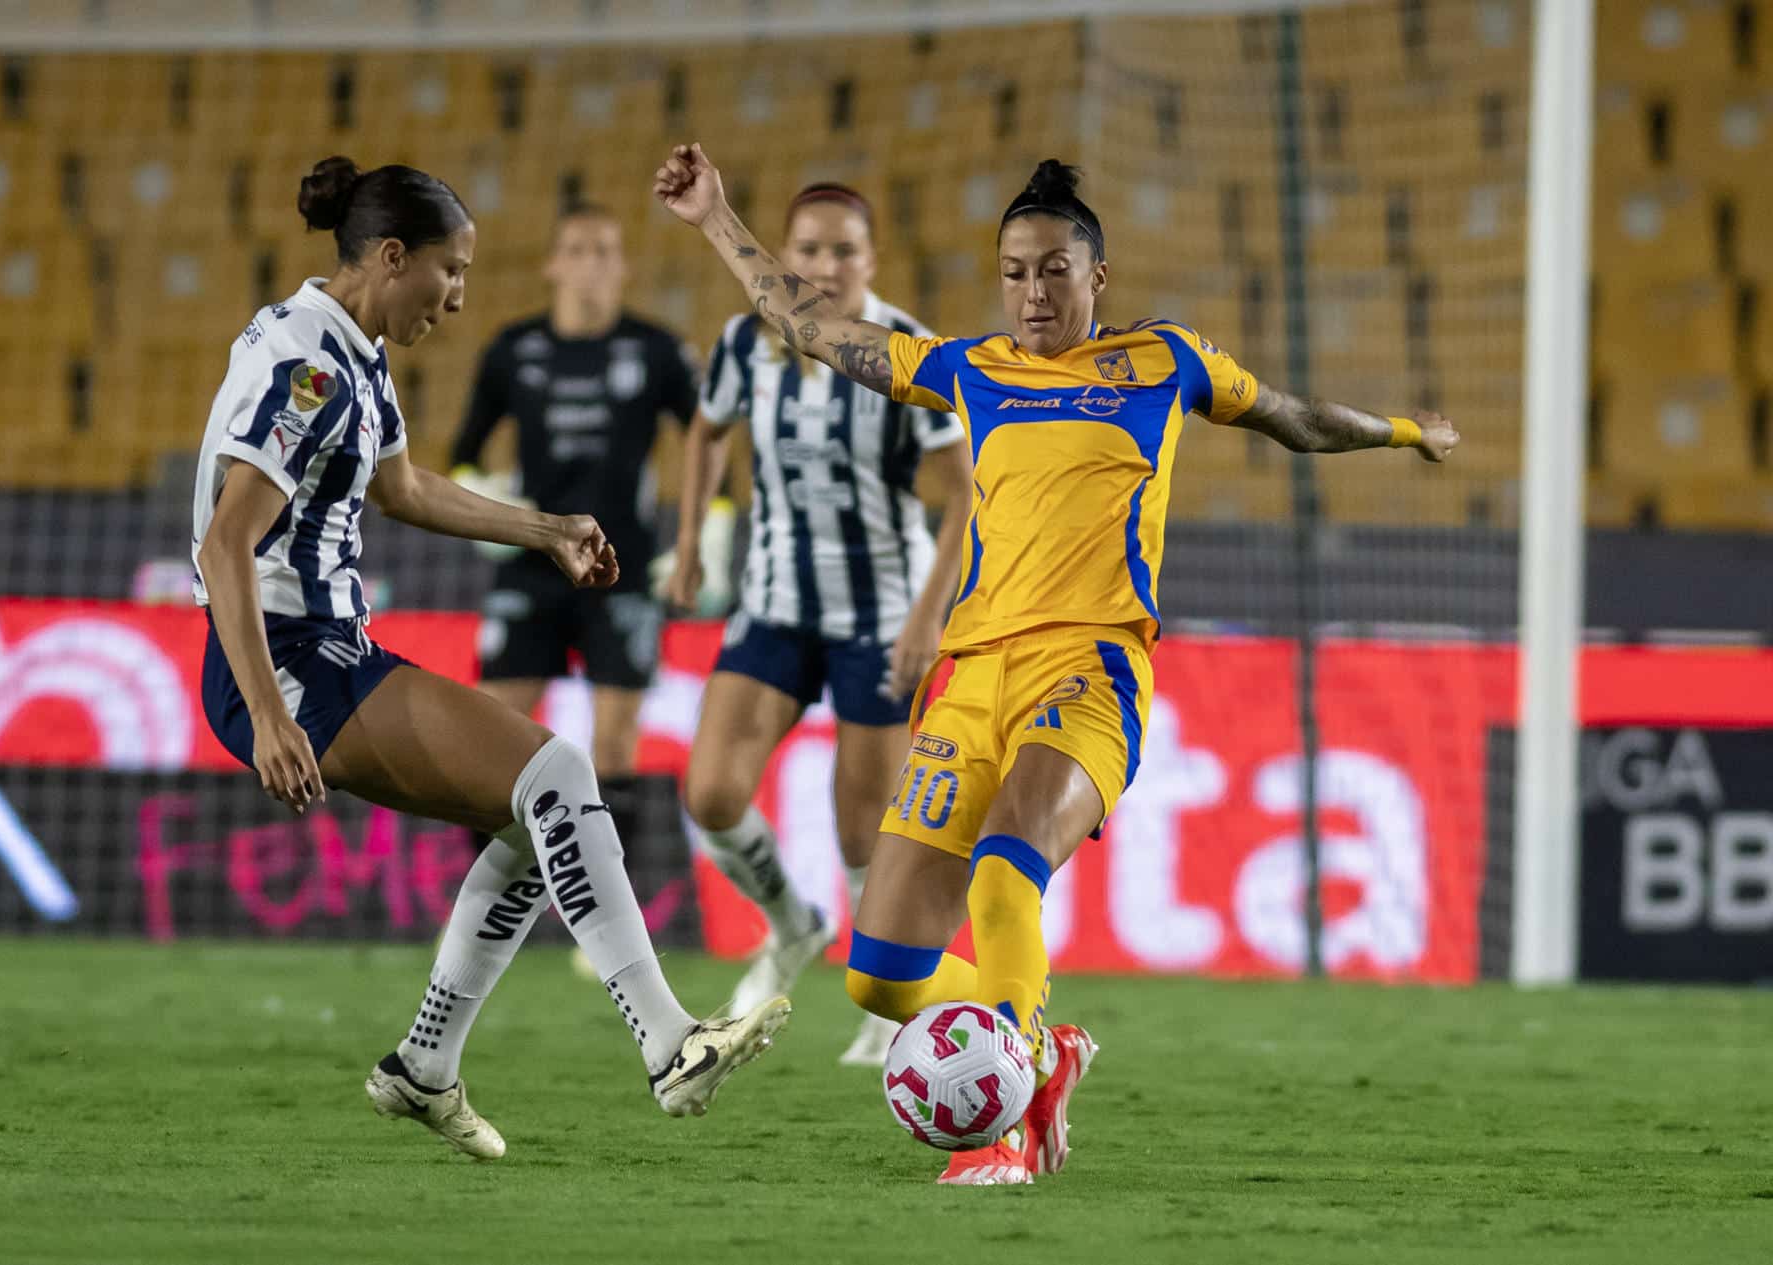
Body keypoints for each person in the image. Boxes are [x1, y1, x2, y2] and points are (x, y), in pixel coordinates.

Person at [654, 145, 1459, 1185]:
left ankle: (1012, 1126)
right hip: (971, 677)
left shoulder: (1164, 360)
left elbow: (1294, 419)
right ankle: (1047, 1039)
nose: (1033, 291)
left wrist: (1405, 431)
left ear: (1097, 278)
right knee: (882, 977)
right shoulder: (968, 369)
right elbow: (813, 326)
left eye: (1053, 270)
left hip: (1090, 670)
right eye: (1015, 272)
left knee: (1003, 874)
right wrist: (718, 216)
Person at [192, 156, 788, 1162]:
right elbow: (223, 543)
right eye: (450, 271)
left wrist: (546, 527)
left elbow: (405, 488)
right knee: (556, 773)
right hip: (287, 657)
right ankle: (671, 1042)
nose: (460, 296)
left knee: (532, 811)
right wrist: (270, 711)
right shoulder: (311, 367)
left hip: (328, 648)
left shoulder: (352, 350)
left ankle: (425, 1068)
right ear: (390, 257)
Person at [662, 183, 973, 1068]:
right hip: (774, 603)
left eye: (843, 250)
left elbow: (966, 494)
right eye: (807, 248)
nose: (823, 266)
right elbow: (705, 432)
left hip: (878, 613)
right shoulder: (741, 341)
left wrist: (927, 614)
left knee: (861, 828)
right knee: (711, 792)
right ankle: (793, 921)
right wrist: (691, 542)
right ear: (783, 255)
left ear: (871, 262)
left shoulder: (907, 349)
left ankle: (888, 997)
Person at [449, 203, 697, 783]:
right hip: (533, 565)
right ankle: (510, 876)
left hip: (621, 568)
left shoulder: (659, 351)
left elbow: (709, 440)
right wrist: (483, 502)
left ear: (623, 267)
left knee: (613, 750)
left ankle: (609, 875)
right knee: (494, 738)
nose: (591, 264)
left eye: (605, 251)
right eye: (578, 250)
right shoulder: (512, 349)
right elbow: (463, 451)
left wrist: (704, 529)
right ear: (552, 266)